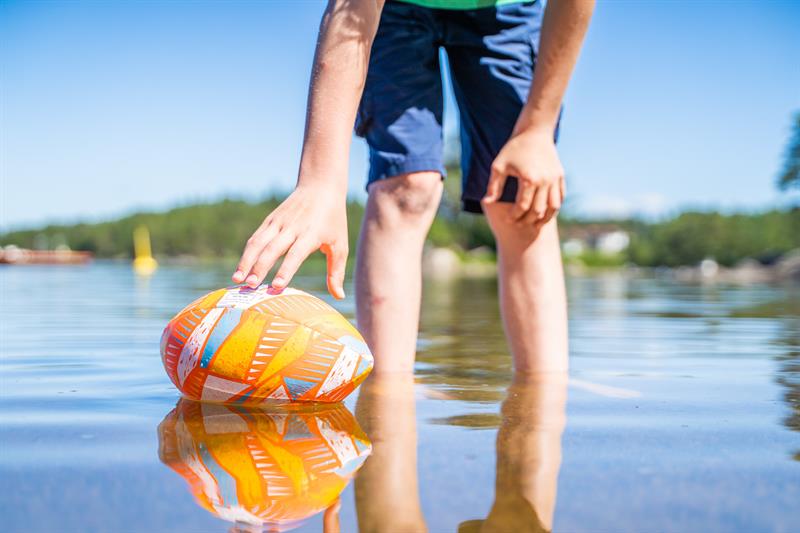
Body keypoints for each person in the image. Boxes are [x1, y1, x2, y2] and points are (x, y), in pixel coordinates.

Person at [232, 0, 594, 374]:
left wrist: (538, 127)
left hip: (507, 10)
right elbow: (351, 10)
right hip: (393, 9)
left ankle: (544, 399)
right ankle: (385, 396)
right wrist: (320, 182)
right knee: (406, 188)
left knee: (520, 192)